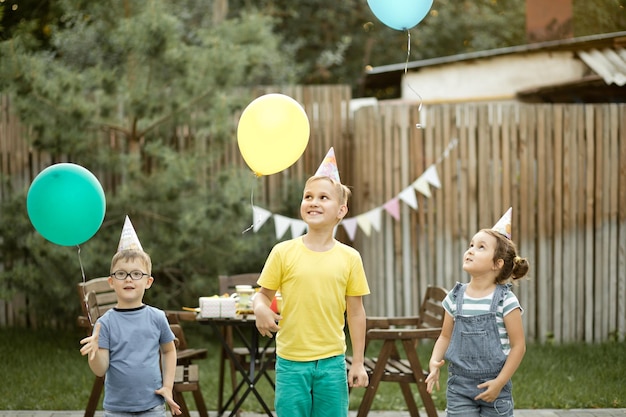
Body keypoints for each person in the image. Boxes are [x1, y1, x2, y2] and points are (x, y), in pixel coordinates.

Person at [253, 147, 370, 417]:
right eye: (308, 197)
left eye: (323, 197)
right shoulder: (283, 252)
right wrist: (260, 308)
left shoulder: (350, 258)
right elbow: (262, 295)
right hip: (291, 361)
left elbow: (356, 312)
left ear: (341, 210)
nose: (313, 202)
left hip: (332, 362)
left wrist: (358, 363)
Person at [426, 208, 530, 417]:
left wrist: (500, 383)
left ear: (497, 264)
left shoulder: (506, 301)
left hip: (496, 386)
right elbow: (445, 336)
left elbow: (519, 346)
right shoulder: (455, 297)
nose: (471, 250)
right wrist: (434, 361)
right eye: (471, 245)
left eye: (481, 247)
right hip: (459, 387)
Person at [80, 216, 181, 417]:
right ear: (111, 282)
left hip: (153, 408)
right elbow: (100, 370)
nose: (128, 279)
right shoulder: (105, 323)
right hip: (117, 410)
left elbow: (169, 351)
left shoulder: (157, 317)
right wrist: (94, 354)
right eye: (121, 274)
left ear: (148, 281)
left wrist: (168, 386)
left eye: (136, 274)